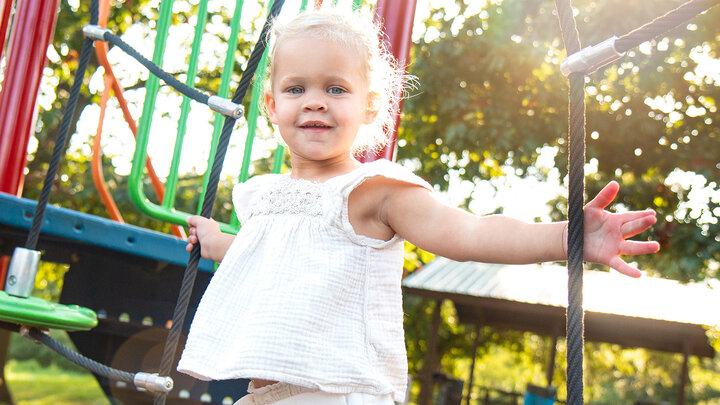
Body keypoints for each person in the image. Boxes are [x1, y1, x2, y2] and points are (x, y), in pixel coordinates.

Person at [177, 8, 659, 405]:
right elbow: (266, 253)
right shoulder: (263, 196)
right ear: (271, 104)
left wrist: (563, 236)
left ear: (369, 106)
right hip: (264, 395)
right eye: (296, 88)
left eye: (336, 88)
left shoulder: (374, 190)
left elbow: (467, 233)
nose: (315, 102)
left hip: (340, 393)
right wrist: (216, 239)